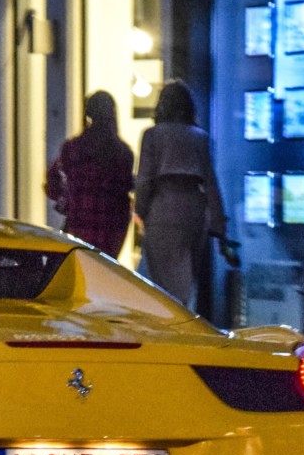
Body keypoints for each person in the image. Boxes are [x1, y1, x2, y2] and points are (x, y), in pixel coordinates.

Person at [135, 80, 227, 307]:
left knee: (162, 281)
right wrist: (218, 223)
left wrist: (140, 211)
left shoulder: (152, 135)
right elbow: (211, 182)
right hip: (194, 211)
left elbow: (145, 178)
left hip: (162, 209)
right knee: (186, 278)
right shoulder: (200, 137)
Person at [45, 91, 135, 254]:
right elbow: (126, 188)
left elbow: (52, 181)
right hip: (112, 226)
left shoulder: (72, 148)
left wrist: (65, 201)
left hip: (79, 221)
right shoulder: (123, 152)